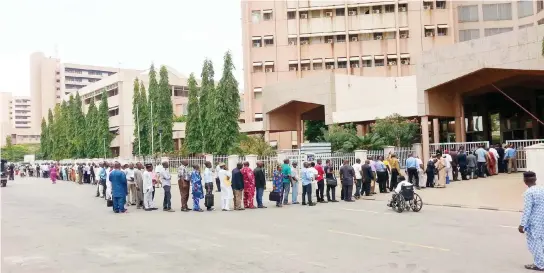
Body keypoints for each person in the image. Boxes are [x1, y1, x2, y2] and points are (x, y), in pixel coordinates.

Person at [518, 171, 544, 271]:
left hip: (534, 222)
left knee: (535, 243)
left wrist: (522, 224)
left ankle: (540, 264)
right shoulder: (542, 189)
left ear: (525, 181)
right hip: (542, 220)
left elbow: (527, 210)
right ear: (535, 179)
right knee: (542, 242)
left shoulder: (529, 193)